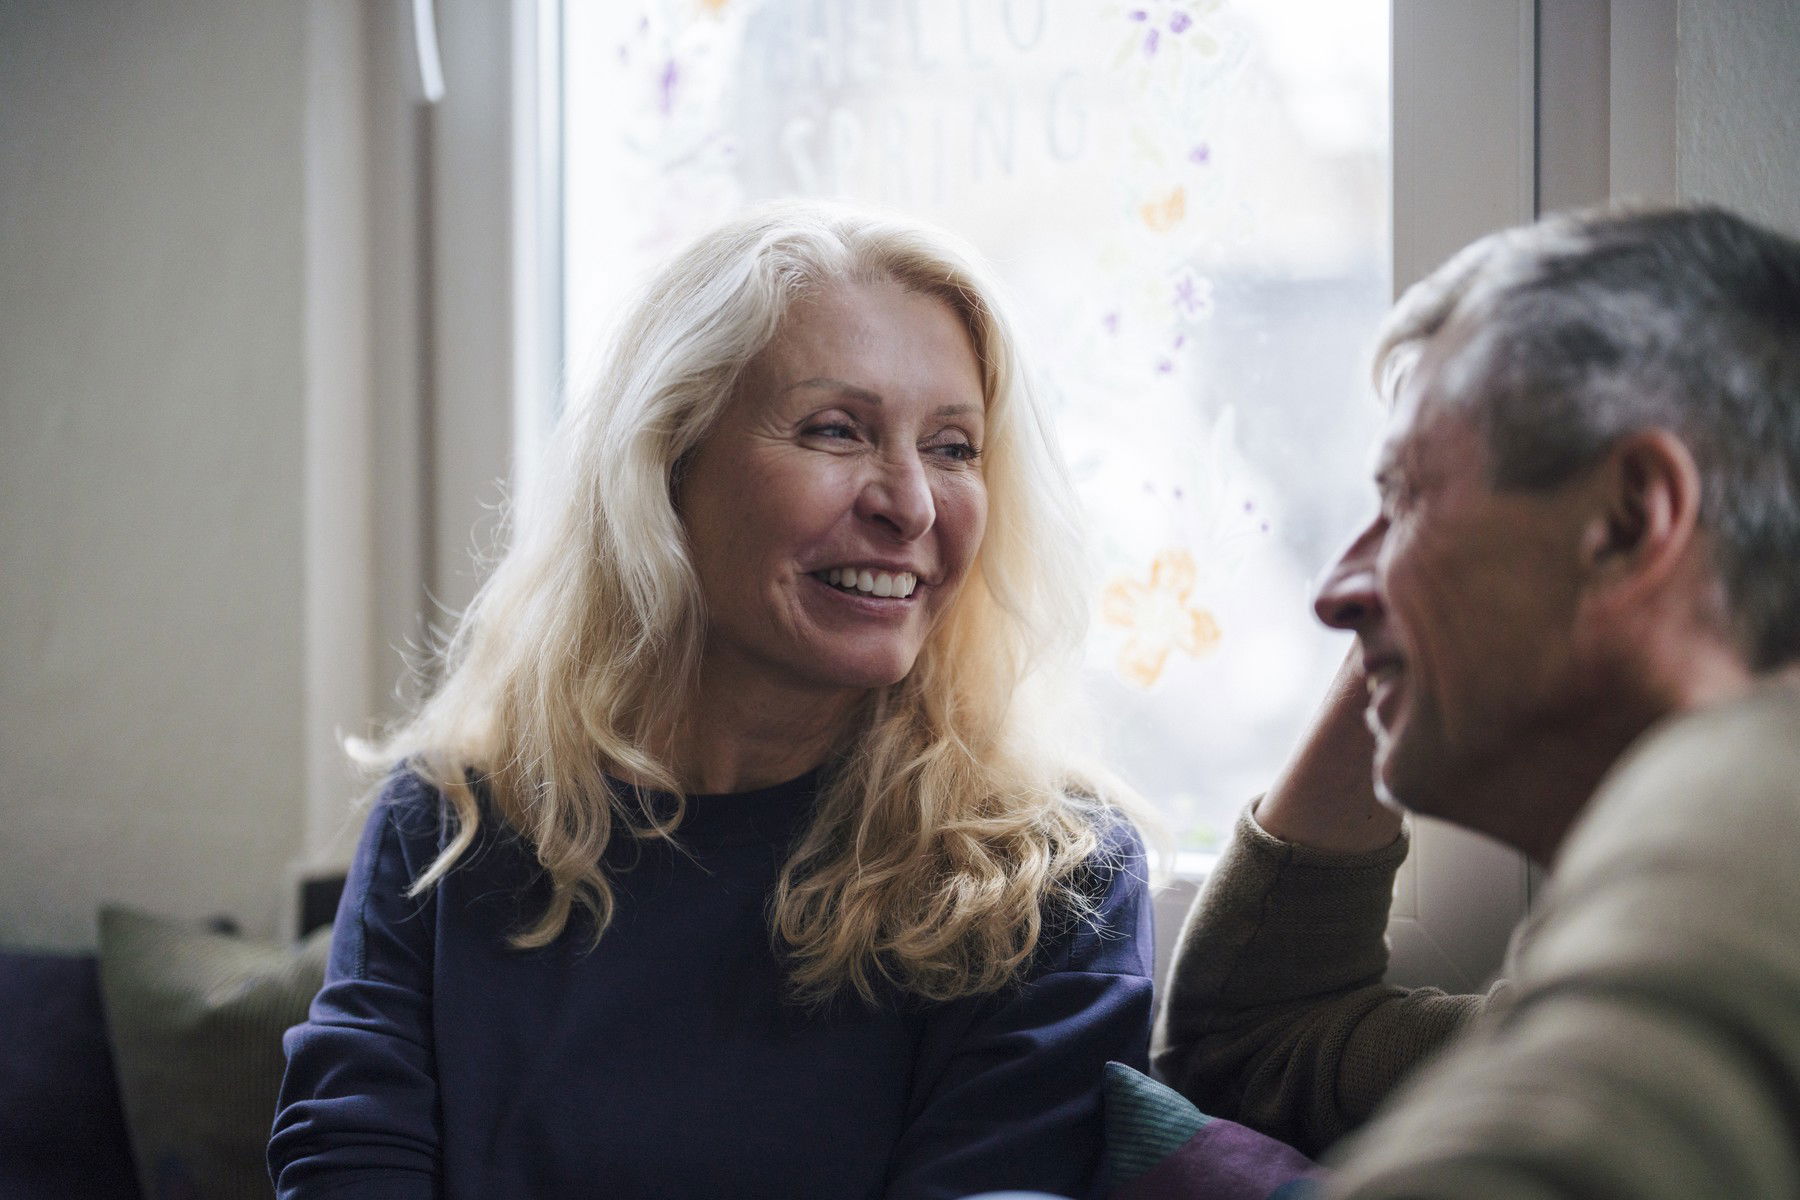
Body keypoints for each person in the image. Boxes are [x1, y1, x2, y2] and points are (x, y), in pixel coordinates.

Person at [269, 201, 1154, 1200]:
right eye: (836, 431)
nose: (909, 503)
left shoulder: (1044, 881)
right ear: (667, 464)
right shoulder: (451, 822)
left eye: (954, 447)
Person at [1155, 205, 1800, 1197]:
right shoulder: (1632, 946)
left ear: (1629, 521)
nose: (1333, 592)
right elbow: (1252, 1045)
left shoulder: (1761, 813)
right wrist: (1408, 623)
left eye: (1408, 497)